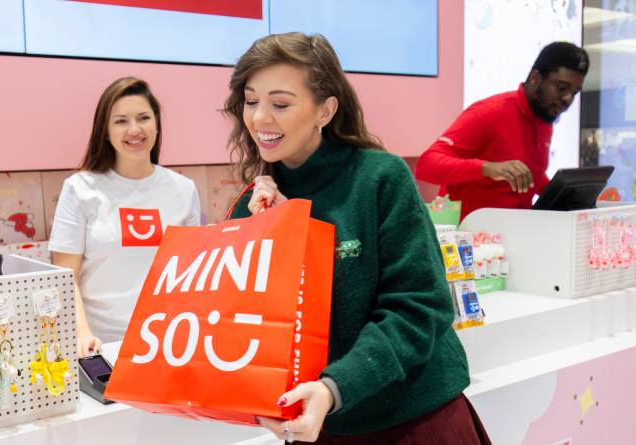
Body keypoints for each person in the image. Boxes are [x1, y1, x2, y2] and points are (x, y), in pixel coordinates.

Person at [224, 33, 490, 444]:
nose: (259, 117)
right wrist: (264, 233)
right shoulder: (251, 205)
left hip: (412, 419)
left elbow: (420, 307)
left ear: (325, 110)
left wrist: (335, 388)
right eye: (250, 100)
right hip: (319, 428)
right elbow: (247, 327)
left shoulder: (379, 179)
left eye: (280, 104)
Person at [48, 77, 200, 357]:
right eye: (120, 121)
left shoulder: (183, 189)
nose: (134, 129)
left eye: (143, 118)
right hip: (102, 348)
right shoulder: (80, 188)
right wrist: (83, 334)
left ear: (156, 124)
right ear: (105, 131)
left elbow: (191, 275)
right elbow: (65, 278)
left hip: (169, 343)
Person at [416, 42, 589, 221]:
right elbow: (426, 166)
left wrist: (564, 192)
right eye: (562, 88)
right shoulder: (488, 113)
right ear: (535, 78)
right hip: (468, 233)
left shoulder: (544, 116)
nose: (568, 99)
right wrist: (486, 168)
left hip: (515, 230)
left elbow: (529, 175)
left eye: (575, 93)